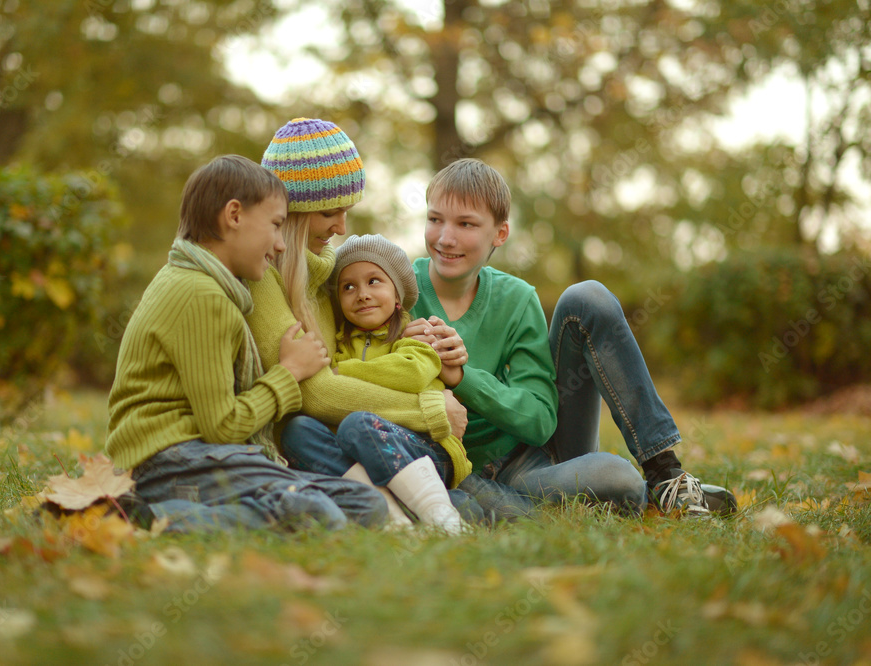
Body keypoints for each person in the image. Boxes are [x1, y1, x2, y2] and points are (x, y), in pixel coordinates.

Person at [406, 158, 737, 517]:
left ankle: (665, 474)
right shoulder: (396, 291)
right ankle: (616, 500)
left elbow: (540, 421)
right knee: (620, 481)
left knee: (588, 297)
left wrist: (462, 378)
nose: (445, 237)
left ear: (500, 234)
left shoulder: (517, 299)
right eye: (435, 219)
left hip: (531, 464)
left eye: (465, 223)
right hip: (451, 469)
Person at [104, 154, 387, 533]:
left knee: (364, 503)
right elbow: (222, 426)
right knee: (318, 515)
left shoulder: (209, 286)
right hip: (166, 458)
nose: (280, 244)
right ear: (234, 215)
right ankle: (137, 518)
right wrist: (289, 372)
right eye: (274, 226)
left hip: (199, 456)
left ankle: (179, 509)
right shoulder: (199, 294)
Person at [247, 118, 487, 526]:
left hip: (381, 437)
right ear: (293, 211)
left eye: (346, 211)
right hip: (331, 435)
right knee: (300, 430)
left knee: (477, 506)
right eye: (330, 212)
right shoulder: (263, 277)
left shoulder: (323, 277)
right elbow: (314, 393)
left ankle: (424, 510)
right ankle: (395, 517)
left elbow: (393, 355)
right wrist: (428, 409)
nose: (341, 227)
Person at [280, 234, 475, 534]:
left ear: (397, 295)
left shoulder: (415, 336)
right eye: (348, 287)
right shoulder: (340, 345)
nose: (362, 294)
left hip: (425, 448)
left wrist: (343, 371)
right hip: (361, 446)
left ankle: (444, 519)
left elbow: (410, 373)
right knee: (298, 430)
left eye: (374, 281)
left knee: (357, 424)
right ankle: (393, 522)